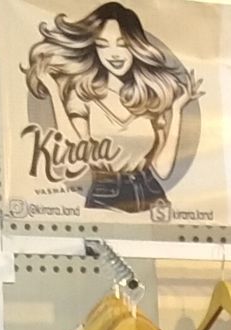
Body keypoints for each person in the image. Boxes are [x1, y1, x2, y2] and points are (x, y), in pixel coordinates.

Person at [25, 1, 203, 213]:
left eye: (123, 44)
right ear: (94, 48)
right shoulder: (83, 96)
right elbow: (75, 162)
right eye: (103, 45)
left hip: (152, 195)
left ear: (136, 45)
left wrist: (176, 110)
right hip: (106, 197)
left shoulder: (148, 96)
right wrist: (55, 93)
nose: (114, 54)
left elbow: (162, 170)